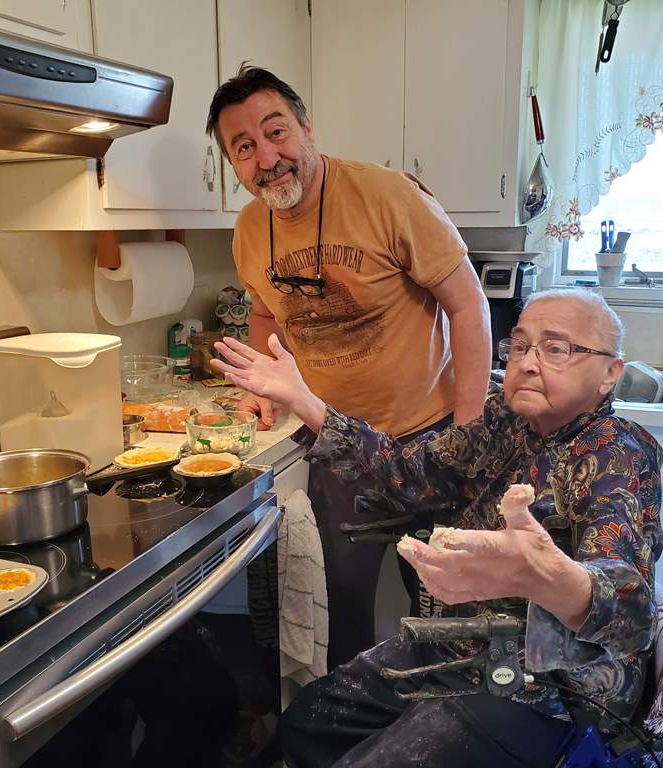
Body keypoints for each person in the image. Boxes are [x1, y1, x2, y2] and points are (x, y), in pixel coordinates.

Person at [211, 288, 663, 767]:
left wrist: (545, 576)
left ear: (610, 373)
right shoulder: (506, 423)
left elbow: (632, 611)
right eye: (520, 346)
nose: (529, 363)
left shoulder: (619, 459)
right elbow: (411, 473)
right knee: (308, 721)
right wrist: (305, 400)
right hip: (465, 646)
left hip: (550, 690)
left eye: (556, 349)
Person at [206, 66, 492, 667]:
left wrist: (469, 433)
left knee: (444, 610)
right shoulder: (249, 230)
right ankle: (355, 742)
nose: (267, 157)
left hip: (428, 440)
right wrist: (265, 384)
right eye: (244, 147)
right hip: (335, 446)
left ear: (307, 128)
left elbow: (468, 307)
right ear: (233, 164)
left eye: (276, 132)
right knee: (342, 607)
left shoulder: (389, 195)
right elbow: (264, 315)